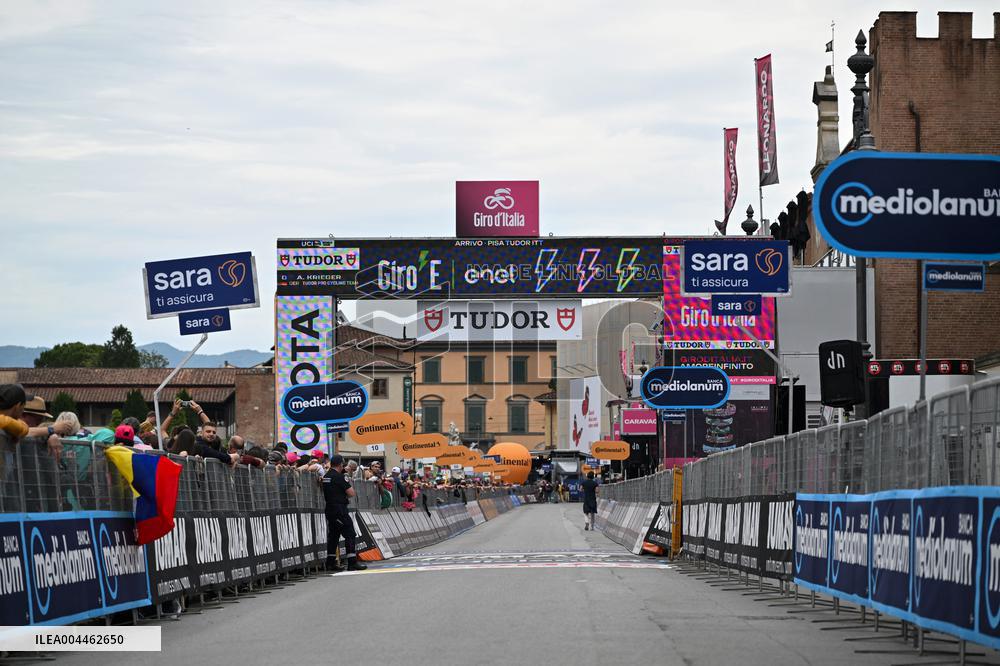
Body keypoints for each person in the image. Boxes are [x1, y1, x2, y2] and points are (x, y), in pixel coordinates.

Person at [321, 454, 367, 572]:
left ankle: (330, 563)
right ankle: (352, 562)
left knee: (334, 535)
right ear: (341, 465)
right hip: (339, 510)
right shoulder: (339, 477)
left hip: (330, 509)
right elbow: (351, 493)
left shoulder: (326, 476)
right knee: (350, 533)